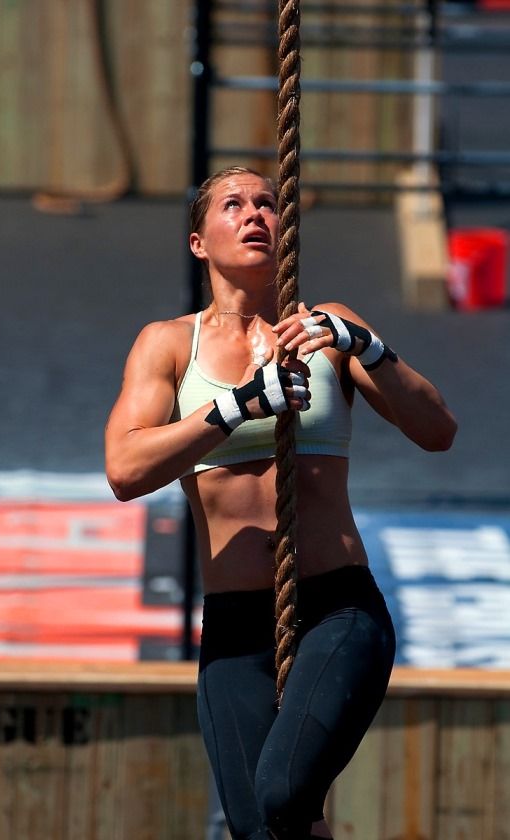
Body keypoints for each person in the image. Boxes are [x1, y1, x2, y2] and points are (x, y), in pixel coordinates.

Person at [105, 167, 457, 840]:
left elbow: (438, 430)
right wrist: (238, 406)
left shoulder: (327, 329)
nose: (255, 214)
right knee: (262, 827)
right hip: (236, 629)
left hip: (337, 610)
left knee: (281, 791)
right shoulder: (170, 346)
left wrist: (367, 348)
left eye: (267, 203)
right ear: (198, 242)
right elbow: (125, 469)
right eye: (233, 205)